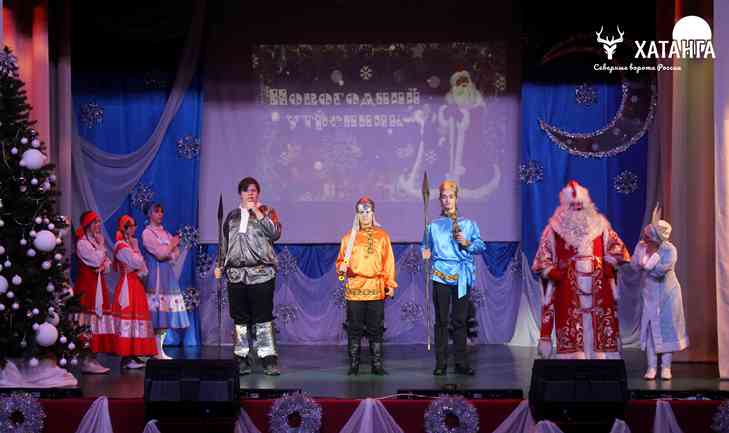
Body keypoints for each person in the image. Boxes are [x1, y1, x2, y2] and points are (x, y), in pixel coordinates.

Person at [532, 180, 630, 359]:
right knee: (572, 329)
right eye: (573, 205)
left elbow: (620, 251)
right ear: (565, 206)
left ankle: (599, 358)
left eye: (580, 205)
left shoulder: (601, 227)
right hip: (568, 288)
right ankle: (574, 358)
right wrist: (554, 272)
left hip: (598, 286)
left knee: (599, 328)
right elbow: (542, 259)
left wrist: (608, 265)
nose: (577, 209)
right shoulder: (553, 230)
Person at [215, 177, 282, 376]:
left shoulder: (267, 211)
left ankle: (268, 359)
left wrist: (258, 212)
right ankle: (242, 358)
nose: (250, 193)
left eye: (254, 190)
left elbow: (275, 234)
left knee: (263, 318)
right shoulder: (232, 216)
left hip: (261, 274)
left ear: (258, 193)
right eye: (246, 190)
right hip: (236, 275)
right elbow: (224, 243)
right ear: (241, 194)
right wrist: (219, 265)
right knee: (240, 320)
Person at [422, 180, 486, 375]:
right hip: (440, 275)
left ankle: (461, 362)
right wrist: (425, 252)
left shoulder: (468, 224)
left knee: (460, 320)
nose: (447, 200)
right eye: (444, 197)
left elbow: (481, 246)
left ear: (456, 198)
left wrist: (467, 243)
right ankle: (441, 363)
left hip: (461, 275)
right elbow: (425, 246)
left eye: (451, 196)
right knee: (441, 320)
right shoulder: (433, 226)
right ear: (440, 200)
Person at [336, 197, 397, 375]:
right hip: (355, 289)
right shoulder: (348, 238)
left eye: (368, 212)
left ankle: (376, 365)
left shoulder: (382, 236)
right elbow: (341, 266)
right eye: (361, 212)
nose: (364, 215)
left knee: (376, 329)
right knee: (354, 329)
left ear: (373, 213)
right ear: (357, 214)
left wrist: (390, 284)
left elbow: (388, 262)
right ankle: (354, 365)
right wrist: (341, 270)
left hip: (376, 288)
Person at [630, 217, 689, 380]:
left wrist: (648, 263)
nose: (645, 238)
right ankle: (651, 367)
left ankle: (666, 367)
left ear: (657, 238)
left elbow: (659, 272)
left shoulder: (669, 250)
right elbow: (634, 265)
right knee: (651, 331)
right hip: (649, 295)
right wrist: (641, 261)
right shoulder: (642, 247)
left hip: (667, 294)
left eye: (649, 236)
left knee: (666, 329)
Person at [141, 203, 189, 360]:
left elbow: (174, 255)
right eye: (157, 211)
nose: (160, 214)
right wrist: (171, 246)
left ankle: (159, 349)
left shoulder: (165, 233)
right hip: (156, 275)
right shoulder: (147, 233)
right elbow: (160, 254)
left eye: (162, 211)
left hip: (167, 274)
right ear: (149, 214)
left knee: (166, 312)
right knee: (156, 312)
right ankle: (152, 349)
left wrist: (169, 250)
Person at [112, 215, 157, 368]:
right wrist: (136, 251)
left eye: (134, 225)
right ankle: (126, 356)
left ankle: (134, 354)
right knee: (128, 317)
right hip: (127, 284)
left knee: (136, 318)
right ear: (124, 228)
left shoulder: (129, 245)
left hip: (134, 283)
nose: (134, 228)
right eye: (131, 226)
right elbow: (137, 262)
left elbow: (143, 270)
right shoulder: (121, 245)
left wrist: (136, 260)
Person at [74, 211, 114, 374]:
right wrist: (102, 251)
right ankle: (86, 359)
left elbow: (107, 265)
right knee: (88, 321)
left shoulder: (95, 242)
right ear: (88, 225)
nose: (98, 225)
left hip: (98, 286)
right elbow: (97, 260)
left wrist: (103, 264)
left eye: (99, 222)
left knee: (98, 320)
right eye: (95, 222)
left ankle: (93, 357)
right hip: (87, 287)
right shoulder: (82, 243)